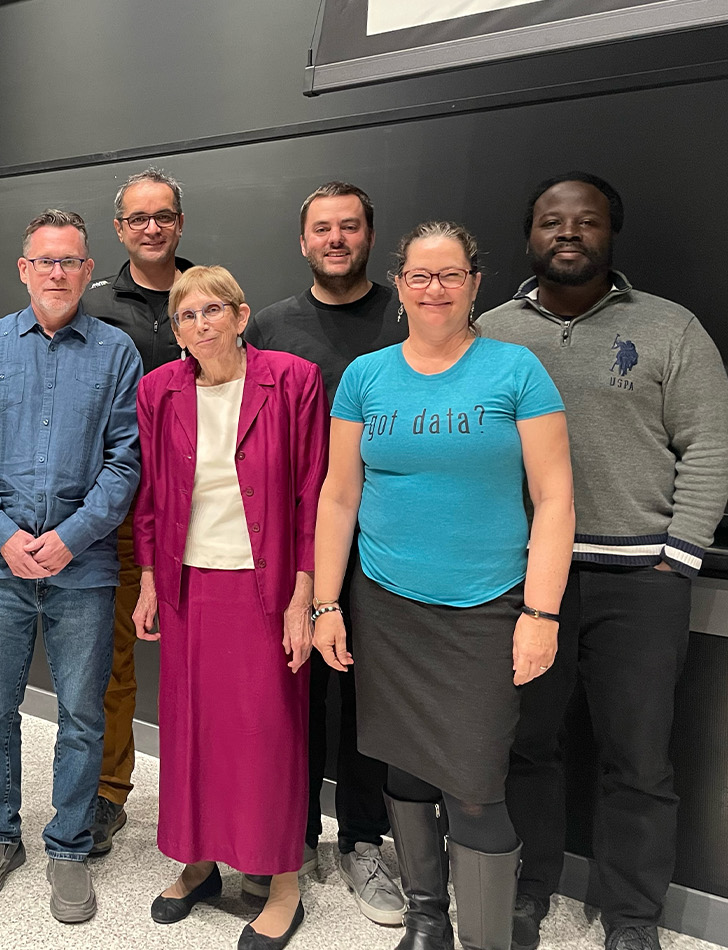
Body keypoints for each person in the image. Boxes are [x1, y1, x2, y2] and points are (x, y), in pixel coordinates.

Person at [480, 173, 728, 950]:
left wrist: (675, 557)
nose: (568, 232)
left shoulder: (669, 328)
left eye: (586, 221)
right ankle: (529, 888)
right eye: (552, 220)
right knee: (527, 744)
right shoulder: (490, 331)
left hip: (639, 580)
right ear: (529, 235)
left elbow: (710, 446)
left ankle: (631, 916)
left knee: (639, 757)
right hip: (525, 580)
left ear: (610, 234)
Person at [313, 221, 575, 950]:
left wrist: (541, 613)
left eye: (450, 275)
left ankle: (483, 935)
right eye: (420, 276)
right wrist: (326, 603)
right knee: (405, 767)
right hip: (387, 604)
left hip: (488, 607)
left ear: (475, 283)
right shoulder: (366, 376)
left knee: (476, 784)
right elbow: (338, 497)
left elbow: (555, 498)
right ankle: (427, 916)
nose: (435, 289)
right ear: (400, 284)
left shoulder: (516, 370)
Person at [0, 210, 141, 923]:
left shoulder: (117, 352)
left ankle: (67, 845)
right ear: (23, 268)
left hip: (83, 569)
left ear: (89, 271)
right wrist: (4, 535)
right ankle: (0, 835)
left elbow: (127, 461)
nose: (58, 273)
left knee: (83, 715)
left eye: (71, 262)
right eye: (45, 261)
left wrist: (73, 536)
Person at [133, 265, 326, 950]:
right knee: (193, 733)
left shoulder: (293, 380)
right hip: (189, 589)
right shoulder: (159, 391)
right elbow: (152, 495)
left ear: (242, 317)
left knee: (268, 736)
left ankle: (281, 883)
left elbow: (311, 494)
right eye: (186, 316)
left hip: (266, 587)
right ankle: (199, 863)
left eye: (212, 311)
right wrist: (152, 581)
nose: (200, 325)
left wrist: (305, 594)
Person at [244, 181, 405, 923]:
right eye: (322, 228)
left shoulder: (407, 319)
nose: (335, 239)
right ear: (302, 241)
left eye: (349, 227)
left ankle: (365, 842)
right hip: (293, 548)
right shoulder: (270, 328)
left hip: (387, 542)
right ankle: (297, 832)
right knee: (294, 692)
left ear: (370, 236)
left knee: (369, 700)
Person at [79, 167, 193, 855]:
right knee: (111, 664)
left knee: (205, 663)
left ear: (180, 222)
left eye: (164, 215)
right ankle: (108, 792)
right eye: (138, 217)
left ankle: (202, 791)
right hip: (120, 511)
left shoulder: (209, 296)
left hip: (204, 513)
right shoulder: (93, 309)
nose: (152, 227)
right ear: (120, 228)